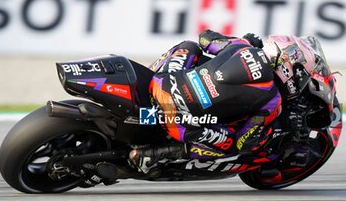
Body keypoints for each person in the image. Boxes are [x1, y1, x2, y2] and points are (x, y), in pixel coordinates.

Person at [129, 30, 320, 177]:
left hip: (162, 83)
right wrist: (263, 136)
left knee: (190, 46)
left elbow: (205, 38)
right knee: (233, 146)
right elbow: (245, 140)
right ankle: (157, 153)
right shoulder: (273, 100)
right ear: (289, 70)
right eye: (300, 75)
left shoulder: (242, 46)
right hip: (178, 121)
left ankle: (143, 89)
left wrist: (241, 39)